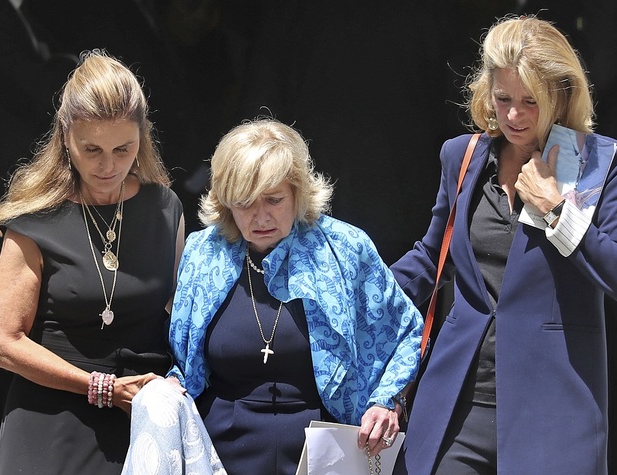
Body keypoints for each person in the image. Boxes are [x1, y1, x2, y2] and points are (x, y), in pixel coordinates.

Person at [390, 15, 617, 475]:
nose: (514, 116)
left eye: (530, 102)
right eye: (503, 99)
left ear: (561, 95)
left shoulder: (601, 162)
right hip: (457, 403)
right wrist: (359, 290)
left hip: (553, 410)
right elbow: (431, 258)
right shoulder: (462, 156)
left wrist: (558, 209)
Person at [164, 117, 424, 474]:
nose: (260, 216)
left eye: (273, 199)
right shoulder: (203, 253)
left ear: (298, 192)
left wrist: (386, 402)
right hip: (220, 452)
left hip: (327, 453)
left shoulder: (345, 249)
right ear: (225, 202)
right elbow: (186, 366)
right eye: (244, 202)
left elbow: (404, 333)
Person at [0, 49, 185, 474]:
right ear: (64, 136)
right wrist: (102, 388)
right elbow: (2, 343)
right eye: (91, 148)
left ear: (141, 138)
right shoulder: (34, 220)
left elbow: (185, 323)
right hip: (49, 423)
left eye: (123, 148)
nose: (108, 165)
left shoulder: (165, 209)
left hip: (143, 426)